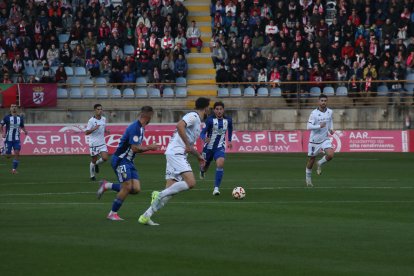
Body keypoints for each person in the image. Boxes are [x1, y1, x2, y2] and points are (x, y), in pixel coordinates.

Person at [138, 97, 211, 226]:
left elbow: (189, 145)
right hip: (176, 153)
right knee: (191, 183)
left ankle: (146, 216)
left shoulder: (198, 122)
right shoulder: (193, 116)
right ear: (206, 108)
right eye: (209, 107)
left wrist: (198, 156)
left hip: (174, 153)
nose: (209, 109)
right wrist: (188, 145)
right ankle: (159, 194)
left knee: (170, 192)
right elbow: (179, 125)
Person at [96, 106, 160, 221]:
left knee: (135, 189)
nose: (152, 119)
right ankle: (112, 213)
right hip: (121, 160)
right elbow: (135, 148)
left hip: (129, 161)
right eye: (151, 116)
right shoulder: (135, 128)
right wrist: (150, 147)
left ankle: (107, 185)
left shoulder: (141, 128)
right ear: (148, 116)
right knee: (127, 187)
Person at [199, 102, 233, 195]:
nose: (219, 111)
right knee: (204, 167)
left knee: (220, 163)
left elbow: (230, 129)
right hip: (208, 148)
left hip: (219, 147)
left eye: (220, 109)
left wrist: (229, 140)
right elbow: (202, 133)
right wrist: (204, 138)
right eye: (217, 109)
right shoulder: (210, 120)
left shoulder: (228, 120)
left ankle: (216, 188)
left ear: (223, 110)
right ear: (214, 110)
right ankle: (202, 171)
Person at [305, 94, 335, 187]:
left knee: (330, 155)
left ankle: (320, 163)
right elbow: (308, 127)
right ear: (318, 102)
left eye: (325, 101)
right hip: (314, 141)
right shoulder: (313, 113)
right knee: (311, 159)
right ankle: (308, 179)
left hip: (325, 139)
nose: (323, 102)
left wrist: (331, 129)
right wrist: (319, 126)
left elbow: (330, 121)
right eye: (322, 101)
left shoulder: (330, 112)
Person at [0, 104, 28, 174]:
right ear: (10, 109)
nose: (14, 108)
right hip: (8, 139)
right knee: (8, 156)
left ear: (17, 109)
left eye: (15, 107)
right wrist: (2, 133)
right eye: (12, 107)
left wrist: (25, 131)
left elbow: (22, 126)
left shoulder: (20, 118)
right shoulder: (7, 117)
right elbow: (1, 125)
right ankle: (3, 150)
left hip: (16, 139)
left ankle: (14, 170)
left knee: (17, 153)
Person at [85, 104, 109, 181]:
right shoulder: (91, 121)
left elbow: (103, 127)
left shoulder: (104, 119)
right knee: (94, 160)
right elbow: (86, 132)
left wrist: (106, 130)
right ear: (95, 110)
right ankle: (92, 176)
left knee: (105, 158)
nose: (100, 111)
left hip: (102, 143)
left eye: (101, 109)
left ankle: (96, 165)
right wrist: (94, 128)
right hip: (94, 144)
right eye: (98, 109)